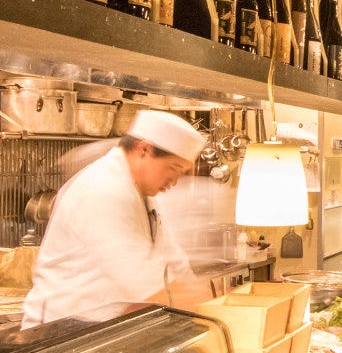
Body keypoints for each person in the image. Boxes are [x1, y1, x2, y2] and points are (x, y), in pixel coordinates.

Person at [23, 111, 210, 327]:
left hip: (102, 326)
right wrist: (204, 308)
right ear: (144, 149)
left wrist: (203, 299)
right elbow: (141, 279)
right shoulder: (102, 189)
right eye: (173, 169)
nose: (174, 181)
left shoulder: (141, 192)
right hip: (63, 328)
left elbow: (172, 257)